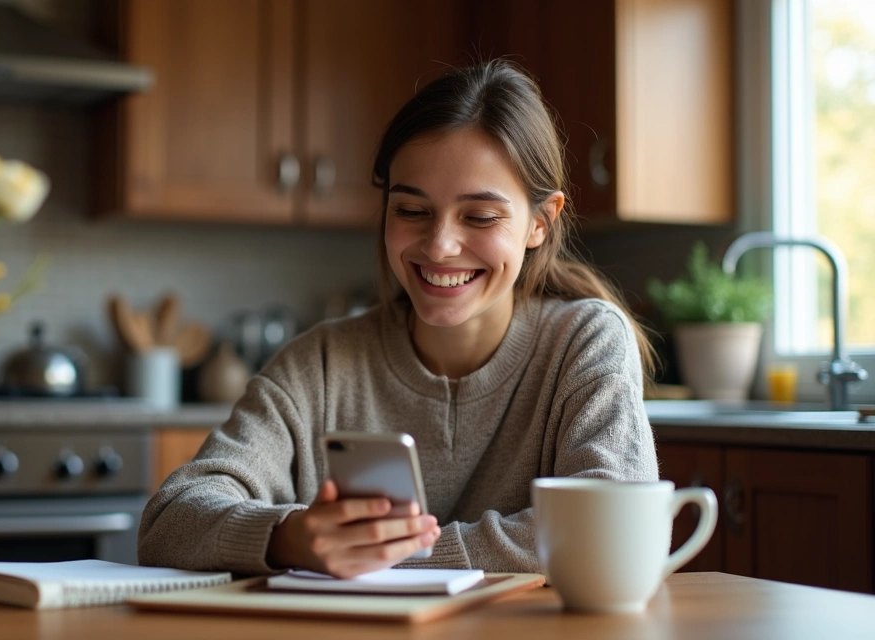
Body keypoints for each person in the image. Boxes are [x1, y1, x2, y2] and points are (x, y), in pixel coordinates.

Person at [138, 59, 659, 578]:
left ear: (540, 223)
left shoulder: (585, 341)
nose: (440, 245)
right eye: (411, 211)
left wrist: (385, 557)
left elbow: (616, 527)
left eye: (479, 216)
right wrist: (289, 537)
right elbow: (169, 521)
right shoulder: (320, 364)